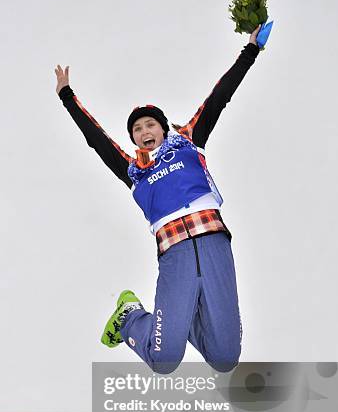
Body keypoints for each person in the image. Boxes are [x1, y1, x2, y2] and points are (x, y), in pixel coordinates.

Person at [55, 25, 264, 374]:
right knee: (165, 359)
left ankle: (190, 313)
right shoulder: (133, 171)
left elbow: (220, 97)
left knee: (225, 358)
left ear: (163, 128)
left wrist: (251, 50)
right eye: (137, 130)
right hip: (176, 255)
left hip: (215, 246)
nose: (144, 131)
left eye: (150, 124)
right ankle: (129, 318)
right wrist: (67, 97)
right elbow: (97, 139)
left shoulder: (188, 141)